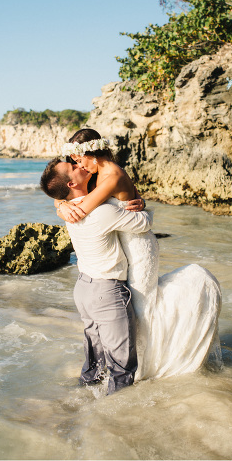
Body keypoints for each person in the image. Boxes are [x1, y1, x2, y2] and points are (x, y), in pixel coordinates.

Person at [54, 129, 222, 380]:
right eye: (75, 161)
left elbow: (85, 207)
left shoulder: (111, 174)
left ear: (92, 153)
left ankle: (147, 366)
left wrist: (64, 206)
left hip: (138, 245)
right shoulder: (97, 172)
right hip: (123, 239)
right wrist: (59, 203)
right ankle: (133, 365)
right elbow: (72, 192)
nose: (77, 164)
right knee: (130, 311)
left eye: (79, 158)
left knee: (141, 309)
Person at [41, 157, 152, 393]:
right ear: (71, 184)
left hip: (83, 289)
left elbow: (61, 200)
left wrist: (60, 204)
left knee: (95, 360)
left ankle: (80, 404)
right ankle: (113, 420)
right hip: (107, 292)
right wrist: (141, 204)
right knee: (122, 367)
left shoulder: (69, 210)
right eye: (73, 167)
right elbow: (144, 224)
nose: (79, 165)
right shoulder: (102, 212)